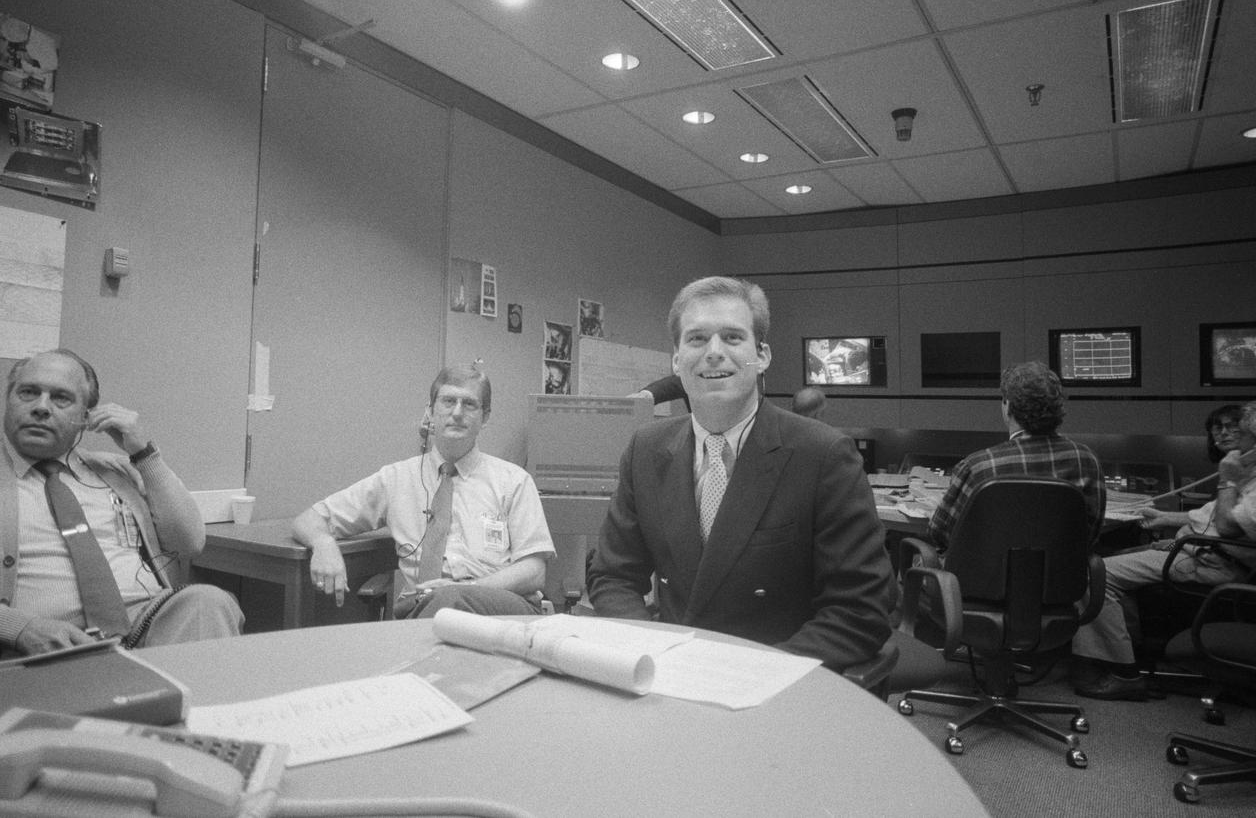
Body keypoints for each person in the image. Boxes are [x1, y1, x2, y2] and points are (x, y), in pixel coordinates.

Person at [587, 276, 895, 671]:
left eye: (732, 338)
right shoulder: (645, 450)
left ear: (762, 355)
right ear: (676, 360)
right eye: (697, 339)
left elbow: (859, 610)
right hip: (669, 675)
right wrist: (650, 651)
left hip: (775, 681)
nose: (714, 352)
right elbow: (612, 576)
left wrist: (750, 673)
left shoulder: (823, 456)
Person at [0, 349, 242, 656]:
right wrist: (19, 628)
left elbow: (188, 543)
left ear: (85, 417)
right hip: (43, 646)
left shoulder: (116, 470)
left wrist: (143, 454)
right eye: (28, 393)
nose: (41, 407)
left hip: (145, 628)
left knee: (208, 602)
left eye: (61, 398)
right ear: (9, 400)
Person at [293, 365, 555, 618]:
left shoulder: (513, 481)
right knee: (436, 607)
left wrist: (467, 589)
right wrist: (323, 543)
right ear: (430, 411)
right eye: (448, 401)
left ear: (485, 417)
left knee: (448, 601)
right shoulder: (396, 479)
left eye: (469, 404)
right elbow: (309, 519)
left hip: (503, 610)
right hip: (424, 606)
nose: (457, 412)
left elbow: (534, 571)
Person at [1070, 400, 1256, 700]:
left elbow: (1227, 527)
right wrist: (1163, 518)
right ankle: (1132, 649)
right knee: (1111, 559)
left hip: (1211, 560)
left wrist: (1227, 479)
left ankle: (1122, 671)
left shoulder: (1240, 480)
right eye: (1219, 428)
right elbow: (1209, 516)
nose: (1228, 435)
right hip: (1197, 550)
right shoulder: (1247, 476)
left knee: (1095, 574)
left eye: (1239, 431)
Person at [926, 361, 1105, 552]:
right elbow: (1090, 535)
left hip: (988, 571)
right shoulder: (1086, 460)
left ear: (1008, 406)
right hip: (1062, 571)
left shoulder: (978, 467)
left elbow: (940, 533)